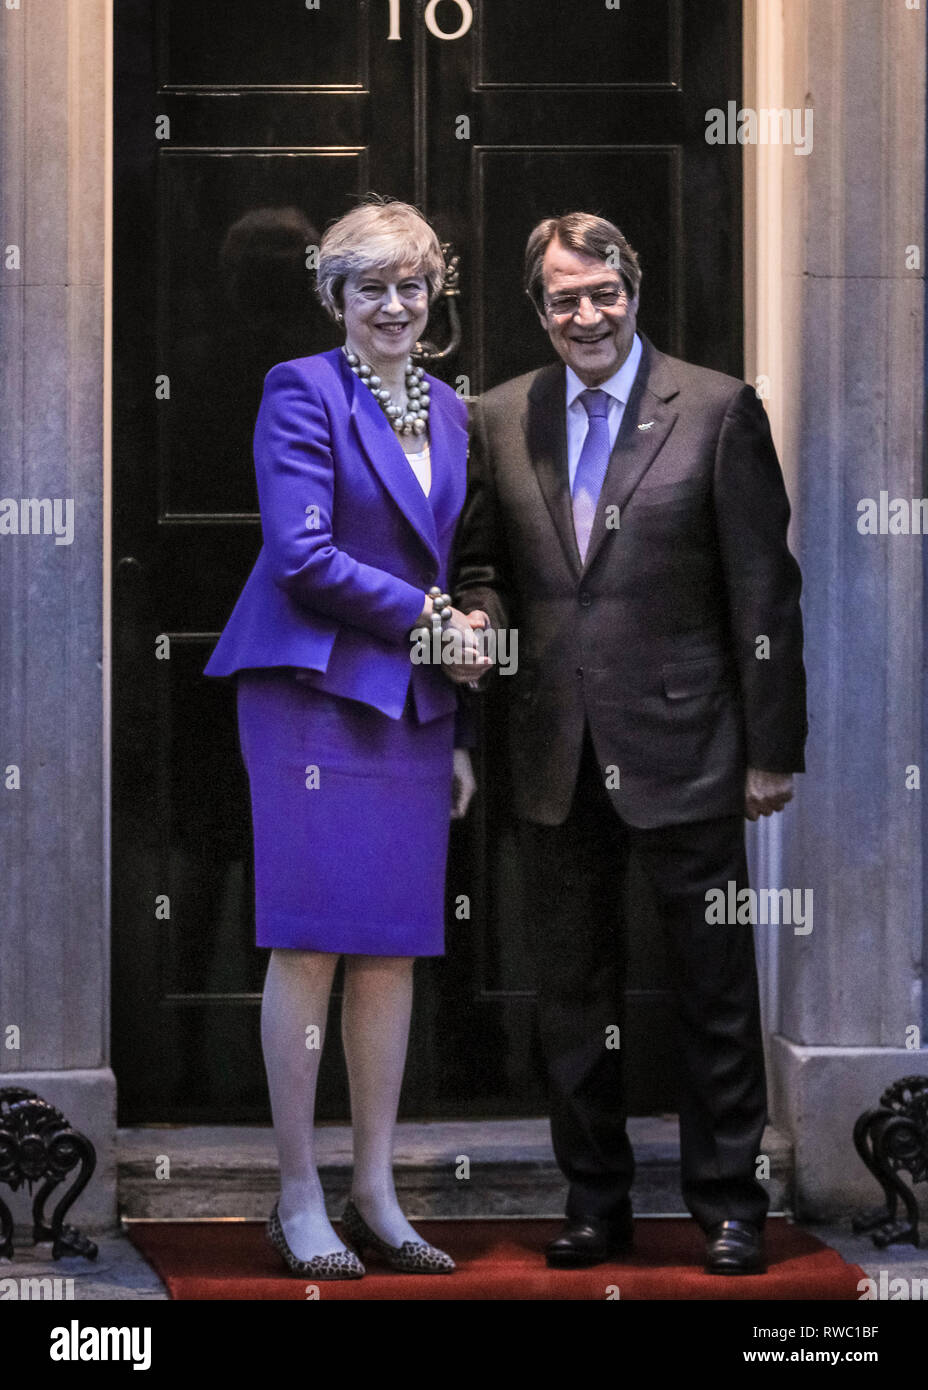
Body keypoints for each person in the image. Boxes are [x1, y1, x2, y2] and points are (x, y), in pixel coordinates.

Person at [453, 212, 807, 1276]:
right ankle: (594, 1204)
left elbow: (765, 591)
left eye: (602, 291)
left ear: (633, 289)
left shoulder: (717, 408)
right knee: (571, 1000)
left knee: (713, 993)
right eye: (564, 298)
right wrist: (476, 621)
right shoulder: (496, 417)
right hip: (553, 753)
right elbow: (484, 569)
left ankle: (729, 1206)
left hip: (690, 748)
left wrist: (770, 751)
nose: (587, 314)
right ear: (539, 309)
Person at [204, 197, 488, 1279]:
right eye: (371, 286)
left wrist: (457, 722)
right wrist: (429, 624)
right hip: (309, 690)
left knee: (392, 944)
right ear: (335, 296)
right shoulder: (302, 389)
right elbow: (302, 555)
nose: (395, 304)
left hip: (411, 706)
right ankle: (296, 1194)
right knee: (312, 937)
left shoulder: (453, 411)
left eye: (412, 284)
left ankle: (375, 1190)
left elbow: (448, 567)